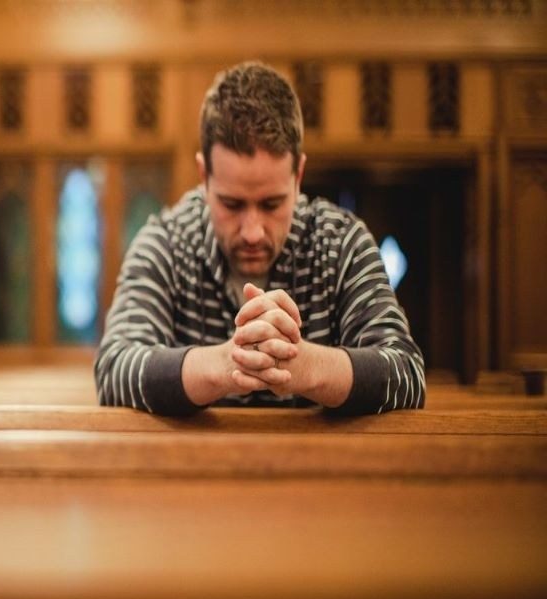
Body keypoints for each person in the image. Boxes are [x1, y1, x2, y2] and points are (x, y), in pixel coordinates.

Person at [95, 61, 425, 415]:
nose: (252, 231)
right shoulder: (165, 243)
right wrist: (226, 363)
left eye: (272, 204)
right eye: (232, 204)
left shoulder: (342, 244)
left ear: (298, 175)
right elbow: (115, 370)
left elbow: (406, 374)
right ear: (204, 176)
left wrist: (305, 366)